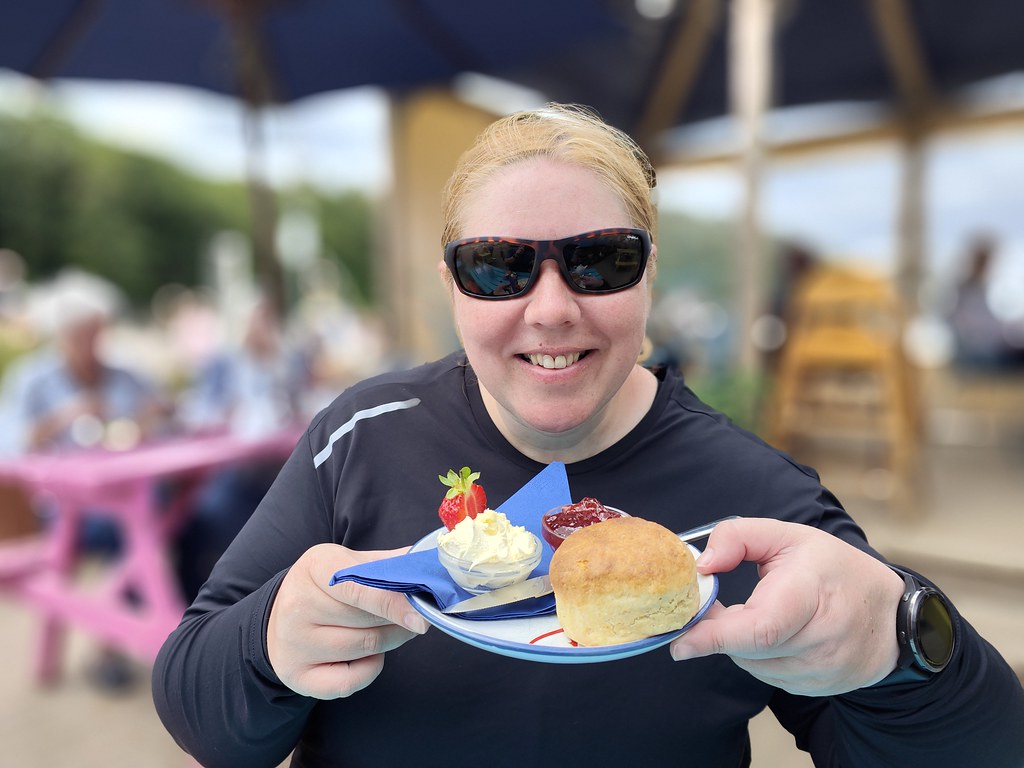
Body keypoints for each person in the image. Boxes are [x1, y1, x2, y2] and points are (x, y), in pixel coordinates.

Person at [152, 105, 1024, 767]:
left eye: (601, 259)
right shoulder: (360, 437)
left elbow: (982, 744)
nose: (552, 307)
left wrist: (905, 640)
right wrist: (267, 642)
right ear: (451, 284)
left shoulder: (756, 499)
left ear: (650, 272)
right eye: (498, 266)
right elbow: (202, 710)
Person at [173, 294, 311, 602]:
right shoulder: (225, 363)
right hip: (234, 469)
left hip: (273, 465)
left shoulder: (284, 361)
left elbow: (296, 404)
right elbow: (199, 411)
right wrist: (228, 413)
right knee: (209, 517)